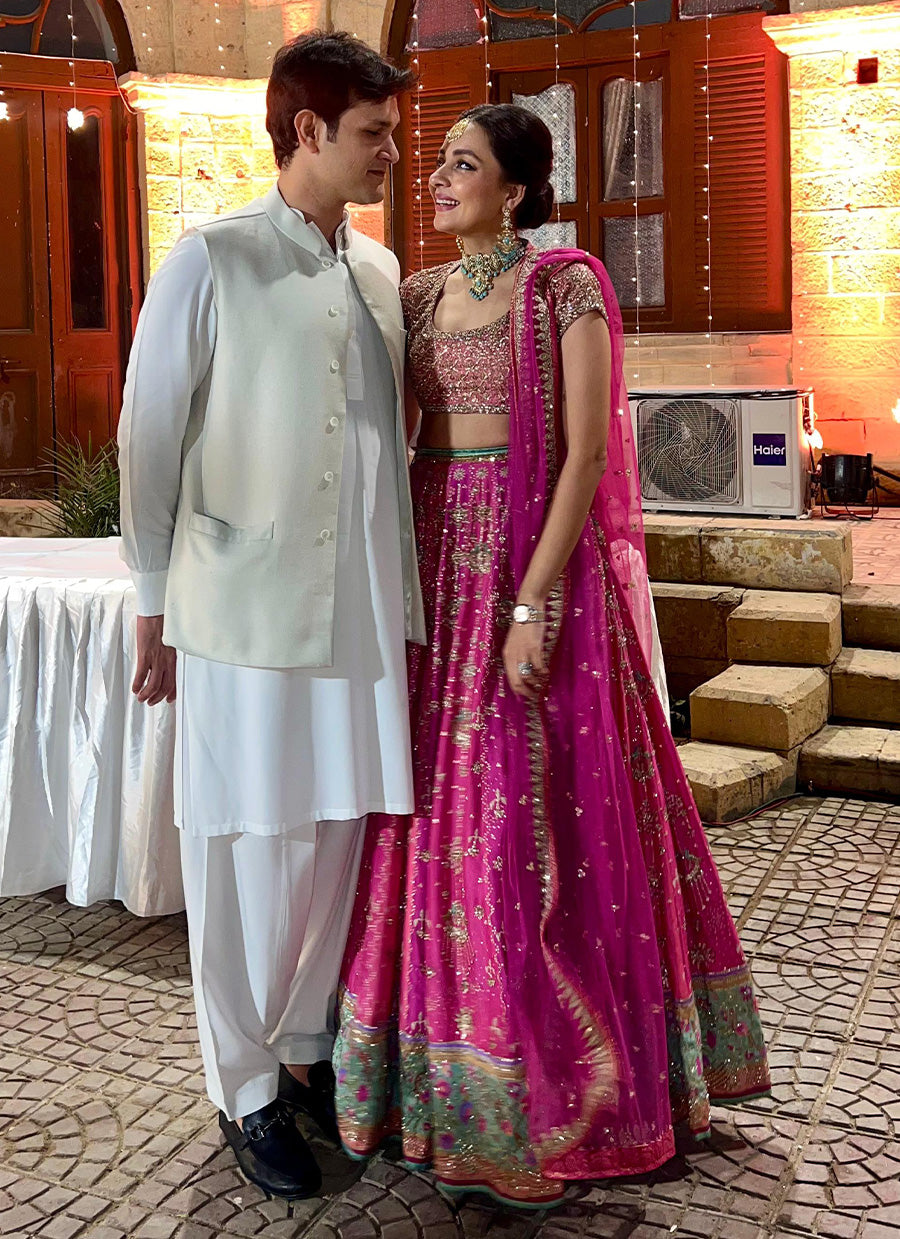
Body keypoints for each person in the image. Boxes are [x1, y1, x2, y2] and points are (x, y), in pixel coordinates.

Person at [333, 104, 770, 1206]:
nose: (438, 180)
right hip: (437, 553)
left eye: (462, 165)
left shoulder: (565, 287)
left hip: (533, 564)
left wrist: (532, 602)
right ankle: (445, 1084)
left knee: (538, 815)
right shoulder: (418, 294)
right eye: (438, 164)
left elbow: (584, 458)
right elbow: (387, 438)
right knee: (438, 807)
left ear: (516, 190)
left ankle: (564, 1090)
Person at [118, 31, 424, 1200]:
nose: (390, 153)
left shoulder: (382, 270)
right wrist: (153, 599)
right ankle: (241, 1084)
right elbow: (149, 442)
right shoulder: (212, 259)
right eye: (373, 134)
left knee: (338, 832)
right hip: (239, 606)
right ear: (307, 130)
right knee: (244, 841)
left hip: (361, 612)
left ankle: (302, 1046)